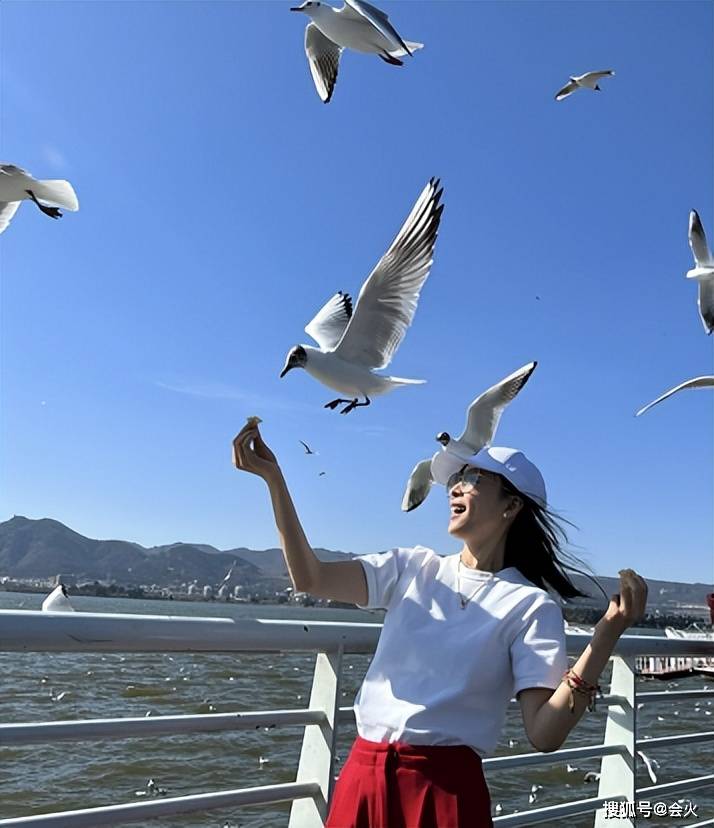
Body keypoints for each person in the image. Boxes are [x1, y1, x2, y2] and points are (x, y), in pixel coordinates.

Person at [232, 423, 648, 828]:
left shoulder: (530, 606)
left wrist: (606, 635)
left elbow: (544, 733)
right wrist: (274, 480)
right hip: (363, 776)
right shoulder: (412, 567)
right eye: (458, 477)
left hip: (444, 792)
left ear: (512, 505)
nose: (456, 486)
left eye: (473, 478)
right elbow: (312, 578)